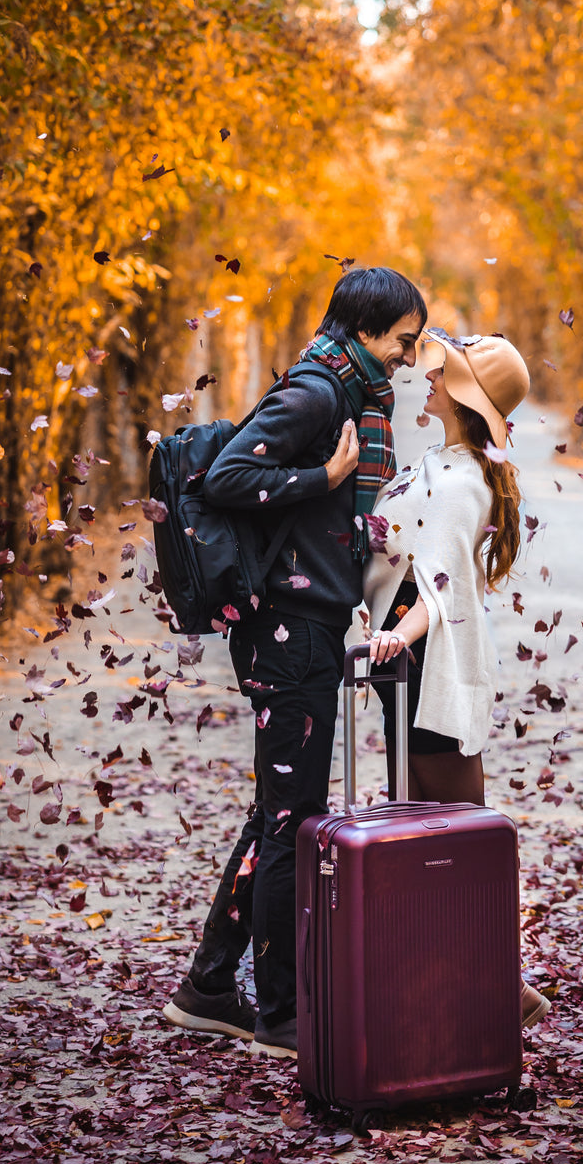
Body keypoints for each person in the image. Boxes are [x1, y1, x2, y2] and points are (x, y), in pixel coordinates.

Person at [163, 265, 426, 1059]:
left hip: (307, 622)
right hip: (289, 630)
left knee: (279, 813)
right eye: (404, 342)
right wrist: (326, 476)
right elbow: (228, 475)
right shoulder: (319, 390)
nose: (409, 358)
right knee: (292, 824)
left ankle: (209, 985)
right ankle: (278, 1014)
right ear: (370, 329)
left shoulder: (346, 391)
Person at [362, 328, 550, 1030]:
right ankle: (455, 983)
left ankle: (506, 990)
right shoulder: (447, 462)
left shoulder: (464, 480)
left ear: (468, 400)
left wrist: (392, 636)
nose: (430, 378)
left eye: (444, 374)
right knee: (425, 835)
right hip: (410, 671)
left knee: (460, 838)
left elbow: (441, 587)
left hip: (430, 673)